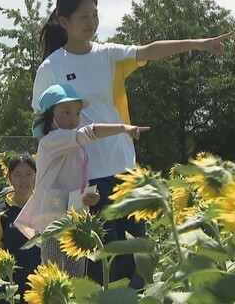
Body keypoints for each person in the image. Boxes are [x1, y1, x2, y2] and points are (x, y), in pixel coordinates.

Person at [32, 0, 233, 287]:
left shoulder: (108, 55)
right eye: (84, 17)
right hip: (87, 179)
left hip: (125, 169)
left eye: (95, 16)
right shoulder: (51, 67)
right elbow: (43, 126)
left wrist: (199, 44)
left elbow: (149, 50)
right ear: (64, 23)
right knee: (100, 266)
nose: (92, 23)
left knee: (137, 259)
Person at [15, 83, 149, 278]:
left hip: (73, 219)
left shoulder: (72, 144)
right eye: (66, 112)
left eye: (77, 113)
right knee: (53, 276)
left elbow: (73, 181)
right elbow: (89, 132)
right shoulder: (51, 141)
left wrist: (89, 196)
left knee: (75, 278)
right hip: (53, 222)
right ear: (49, 116)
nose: (73, 119)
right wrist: (122, 127)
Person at [0, 153, 40, 304]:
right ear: (10, 177)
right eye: (18, 175)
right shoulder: (1, 214)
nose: (23, 180)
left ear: (36, 176)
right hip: (7, 290)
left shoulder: (43, 208)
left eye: (29, 174)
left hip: (39, 287)